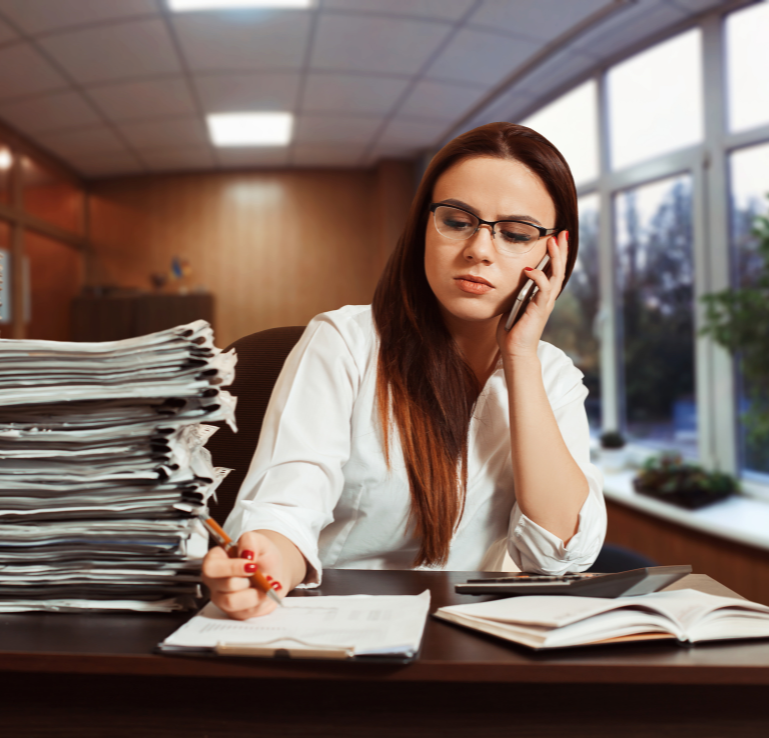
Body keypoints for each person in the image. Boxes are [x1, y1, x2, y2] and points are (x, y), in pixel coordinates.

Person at [202, 121, 607, 620]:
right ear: (423, 228)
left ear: (553, 255)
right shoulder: (346, 343)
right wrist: (267, 562)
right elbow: (286, 506)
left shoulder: (552, 375)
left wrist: (521, 355)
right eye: (457, 221)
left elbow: (561, 556)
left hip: (470, 639)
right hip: (338, 629)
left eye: (516, 233)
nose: (480, 249)